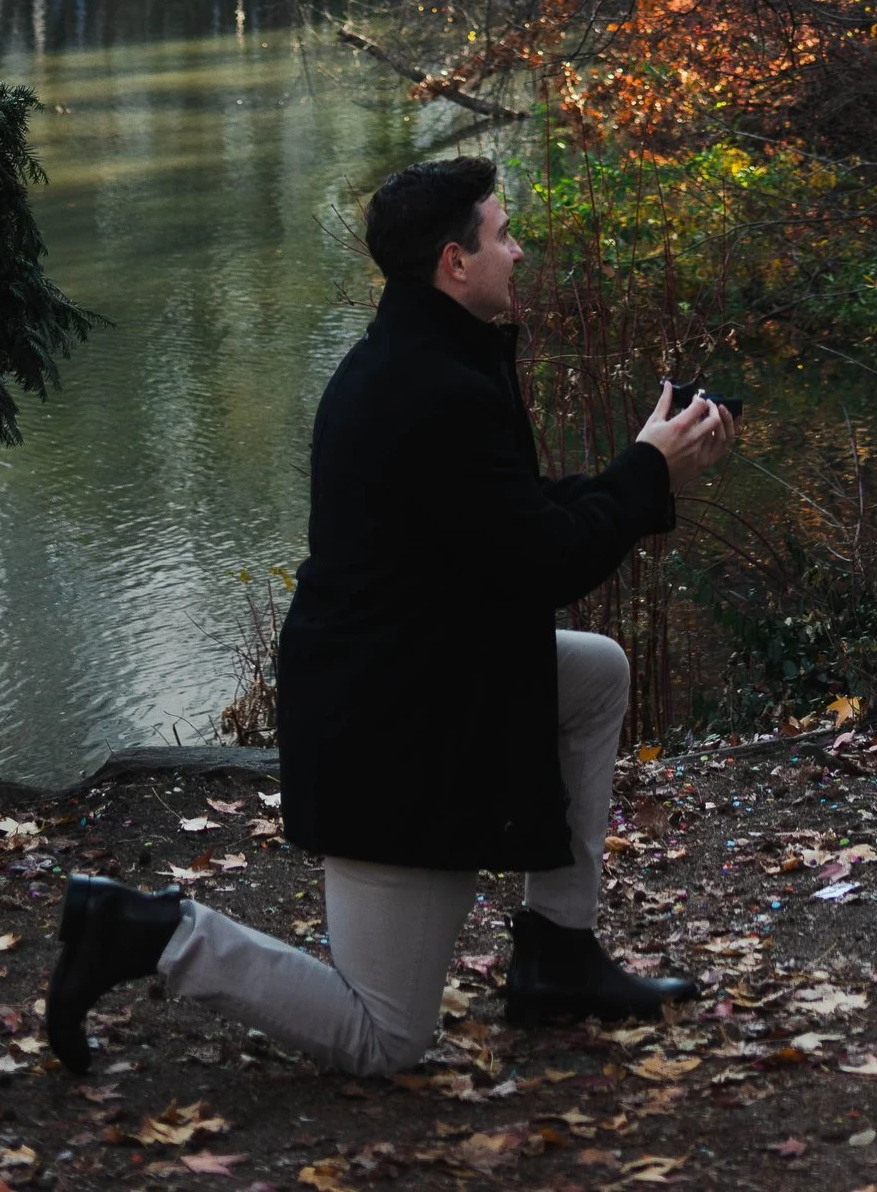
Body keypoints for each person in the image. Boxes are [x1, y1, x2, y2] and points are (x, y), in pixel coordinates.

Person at [42, 157, 735, 1075]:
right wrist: (646, 477)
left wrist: (644, 467)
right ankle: (148, 933)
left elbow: (508, 518)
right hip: (394, 730)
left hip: (420, 677)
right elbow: (544, 563)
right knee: (384, 1038)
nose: (518, 250)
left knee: (594, 672)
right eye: (502, 233)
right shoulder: (428, 390)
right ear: (455, 262)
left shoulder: (430, 362)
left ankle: (557, 957)